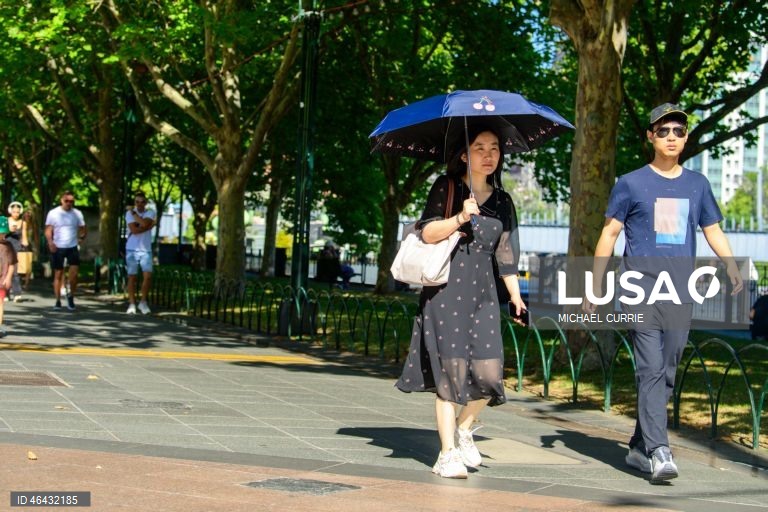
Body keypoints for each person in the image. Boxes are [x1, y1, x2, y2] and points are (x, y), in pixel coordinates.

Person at [584, 103, 743, 484]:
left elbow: (713, 230)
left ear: (685, 139)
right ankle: (659, 451)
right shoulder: (630, 183)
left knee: (667, 370)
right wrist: (595, 284)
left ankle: (639, 445)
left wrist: (732, 265)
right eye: (663, 131)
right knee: (650, 369)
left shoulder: (697, 184)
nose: (671, 137)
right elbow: (609, 233)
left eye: (678, 131)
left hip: (679, 292)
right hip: (638, 291)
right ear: (650, 137)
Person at [395, 126, 526, 479]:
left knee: (490, 373)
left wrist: (515, 296)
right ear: (465, 155)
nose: (488, 155)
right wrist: (460, 218)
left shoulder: (503, 201)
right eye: (479, 147)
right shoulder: (447, 187)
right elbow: (426, 233)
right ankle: (447, 453)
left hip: (484, 295)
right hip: (446, 292)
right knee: (451, 374)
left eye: (494, 148)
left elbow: (505, 255)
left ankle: (465, 428)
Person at [45, 191, 87, 311]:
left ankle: (71, 296)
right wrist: (50, 242)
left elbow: (83, 228)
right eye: (66, 201)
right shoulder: (53, 213)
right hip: (58, 247)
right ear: (61, 200)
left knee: (74, 274)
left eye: (71, 201)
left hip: (72, 247)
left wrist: (81, 238)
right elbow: (48, 229)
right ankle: (58, 300)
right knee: (58, 273)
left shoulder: (77, 213)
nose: (69, 203)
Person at [125, 192, 156, 314]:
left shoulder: (150, 212)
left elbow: (143, 223)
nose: (139, 204)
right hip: (131, 249)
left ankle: (143, 302)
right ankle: (132, 303)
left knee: (147, 276)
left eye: (142, 202)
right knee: (132, 276)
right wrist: (148, 227)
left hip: (146, 249)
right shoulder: (129, 213)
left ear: (146, 203)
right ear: (134, 202)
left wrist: (142, 223)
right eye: (137, 202)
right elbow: (134, 230)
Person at [6, 201, 32, 299]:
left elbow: (24, 236)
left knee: (15, 271)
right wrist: (9, 230)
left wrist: (26, 246)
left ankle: (17, 294)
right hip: (5, 247)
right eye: (14, 212)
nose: (16, 214)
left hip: (17, 248)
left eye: (17, 212)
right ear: (10, 211)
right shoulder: (5, 221)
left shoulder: (23, 223)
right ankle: (6, 293)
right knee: (5, 270)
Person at [0, 217, 17, 336]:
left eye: (3, 233)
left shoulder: (8, 246)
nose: (2, 235)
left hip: (2, 279)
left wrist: (8, 277)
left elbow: (12, 264)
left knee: (0, 303)